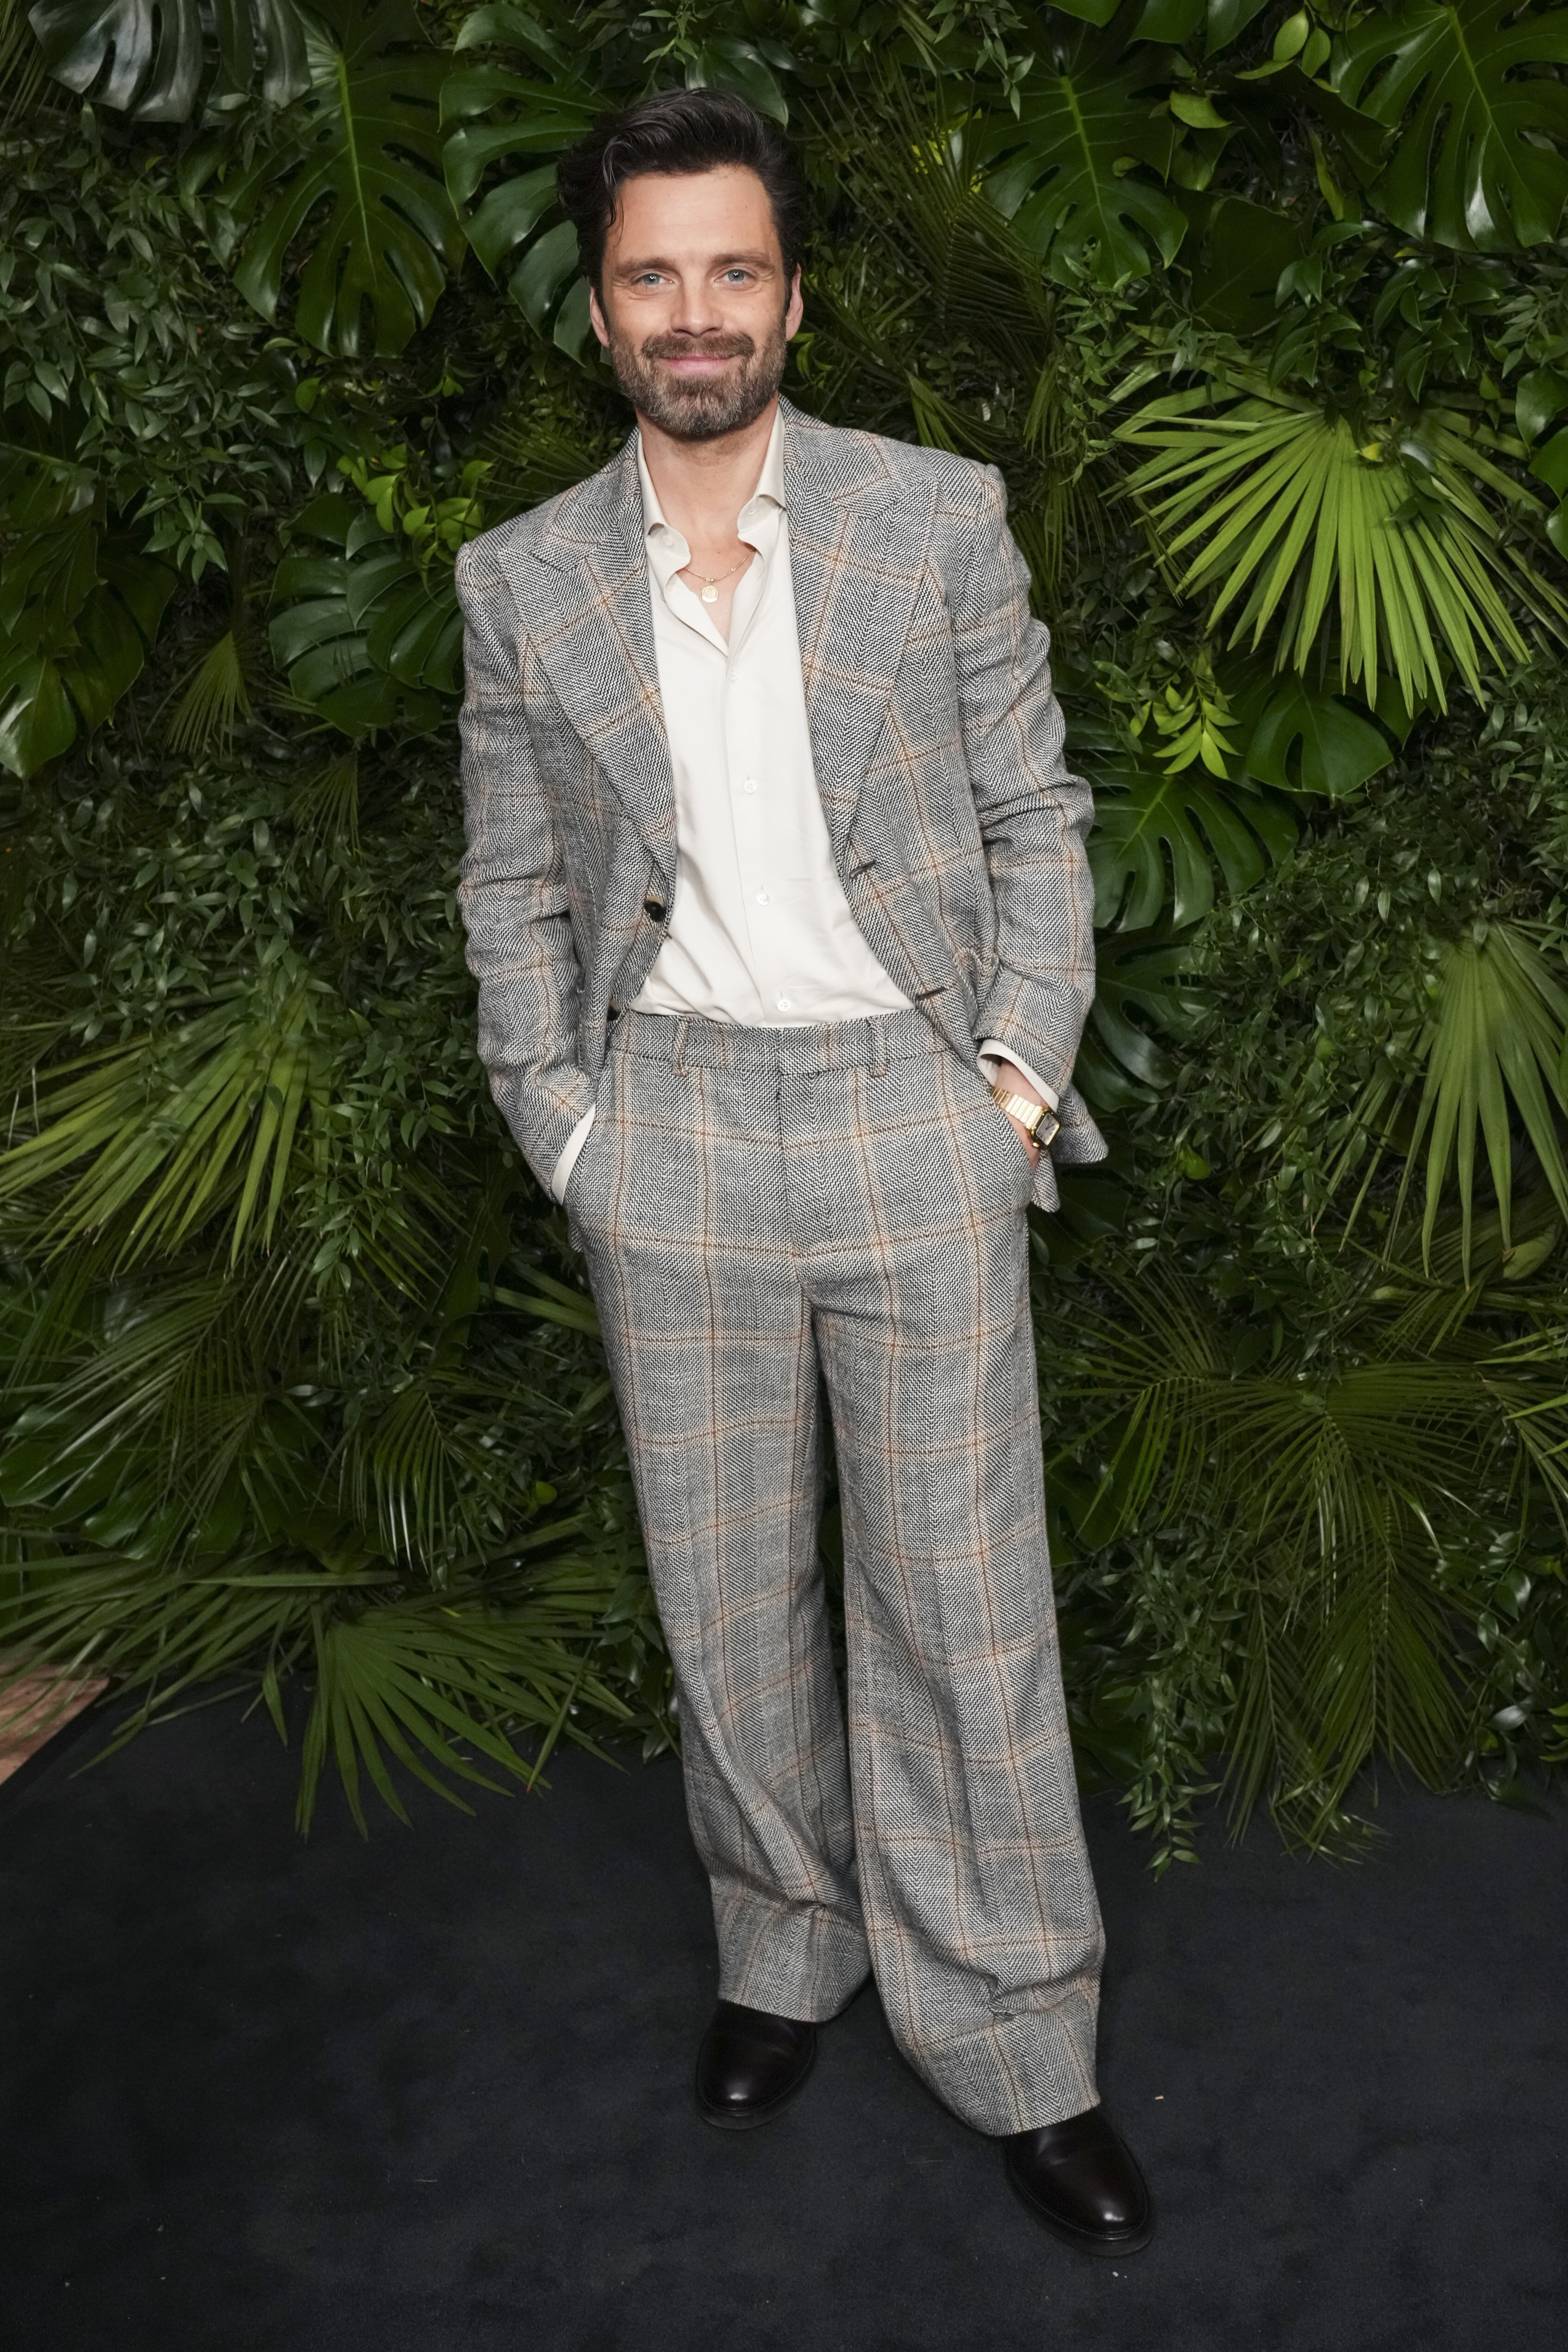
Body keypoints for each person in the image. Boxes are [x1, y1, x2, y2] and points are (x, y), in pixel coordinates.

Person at [454, 87, 1151, 2258]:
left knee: (966, 1613)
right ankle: (784, 1947)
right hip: (665, 1128)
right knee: (725, 1601)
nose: (695, 313)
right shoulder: (523, 578)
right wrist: (568, 1130)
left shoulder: (932, 518)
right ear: (601, 311)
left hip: (907, 1113)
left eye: (731, 270)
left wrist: (1013, 1086)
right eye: (652, 275)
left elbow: (1038, 817)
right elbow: (507, 886)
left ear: (790, 295)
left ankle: (1025, 2044)